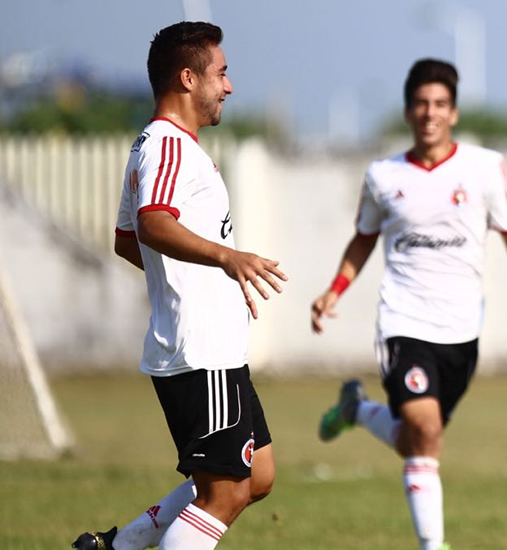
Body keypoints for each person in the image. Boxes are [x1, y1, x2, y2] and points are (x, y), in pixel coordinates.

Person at [309, 58, 507, 550]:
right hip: (403, 321)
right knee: (424, 427)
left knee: (417, 439)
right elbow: (363, 240)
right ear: (407, 111)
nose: (430, 113)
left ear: (454, 112)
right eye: (421, 104)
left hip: (461, 330)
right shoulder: (382, 175)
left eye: (439, 104)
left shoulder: (484, 167)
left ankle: (357, 412)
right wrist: (334, 290)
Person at [73, 21, 287, 550]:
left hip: (214, 347)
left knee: (255, 475)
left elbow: (128, 241)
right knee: (225, 494)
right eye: (222, 73)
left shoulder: (164, 146)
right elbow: (151, 224)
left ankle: (121, 545)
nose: (229, 86)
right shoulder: (168, 147)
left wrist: (195, 276)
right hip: (200, 351)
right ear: (188, 78)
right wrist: (225, 257)